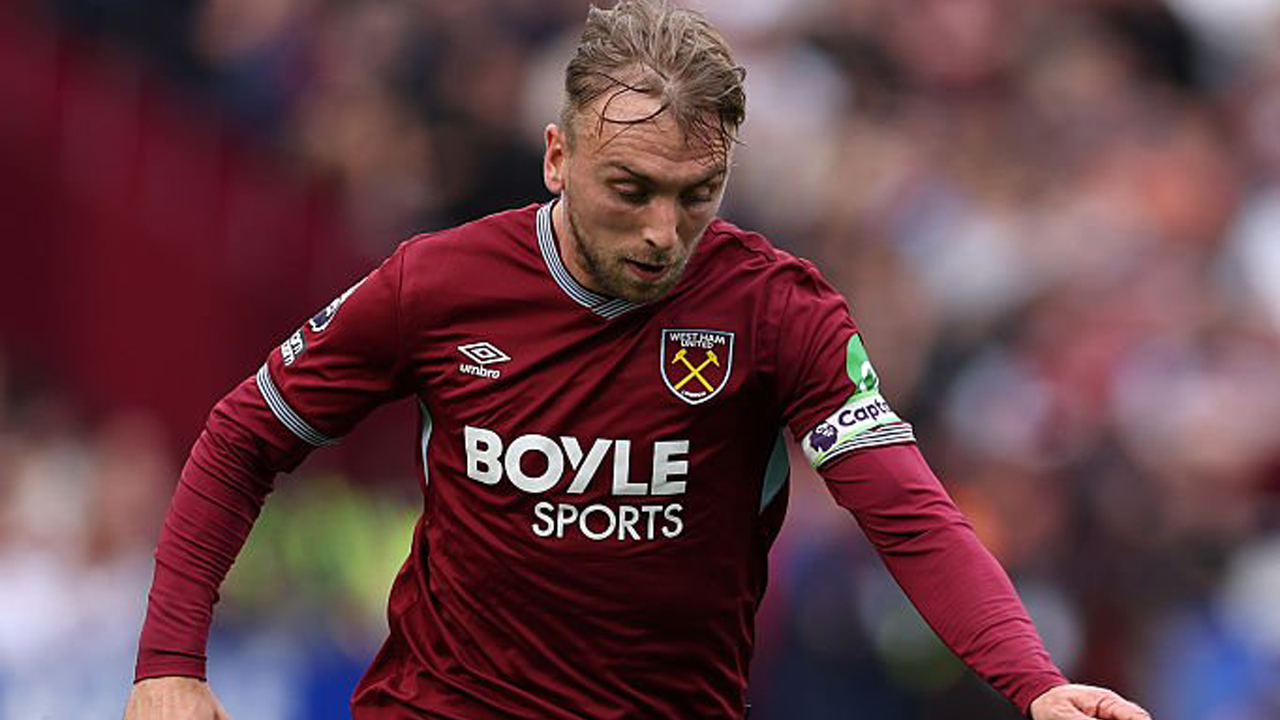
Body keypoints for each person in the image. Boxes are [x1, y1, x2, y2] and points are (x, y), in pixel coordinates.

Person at [124, 2, 1154, 718]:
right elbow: (244, 433)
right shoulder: (437, 284)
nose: (664, 231)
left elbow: (905, 508)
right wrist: (169, 665)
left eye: (694, 194)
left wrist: (1032, 682)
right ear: (556, 156)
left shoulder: (775, 309)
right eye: (630, 189)